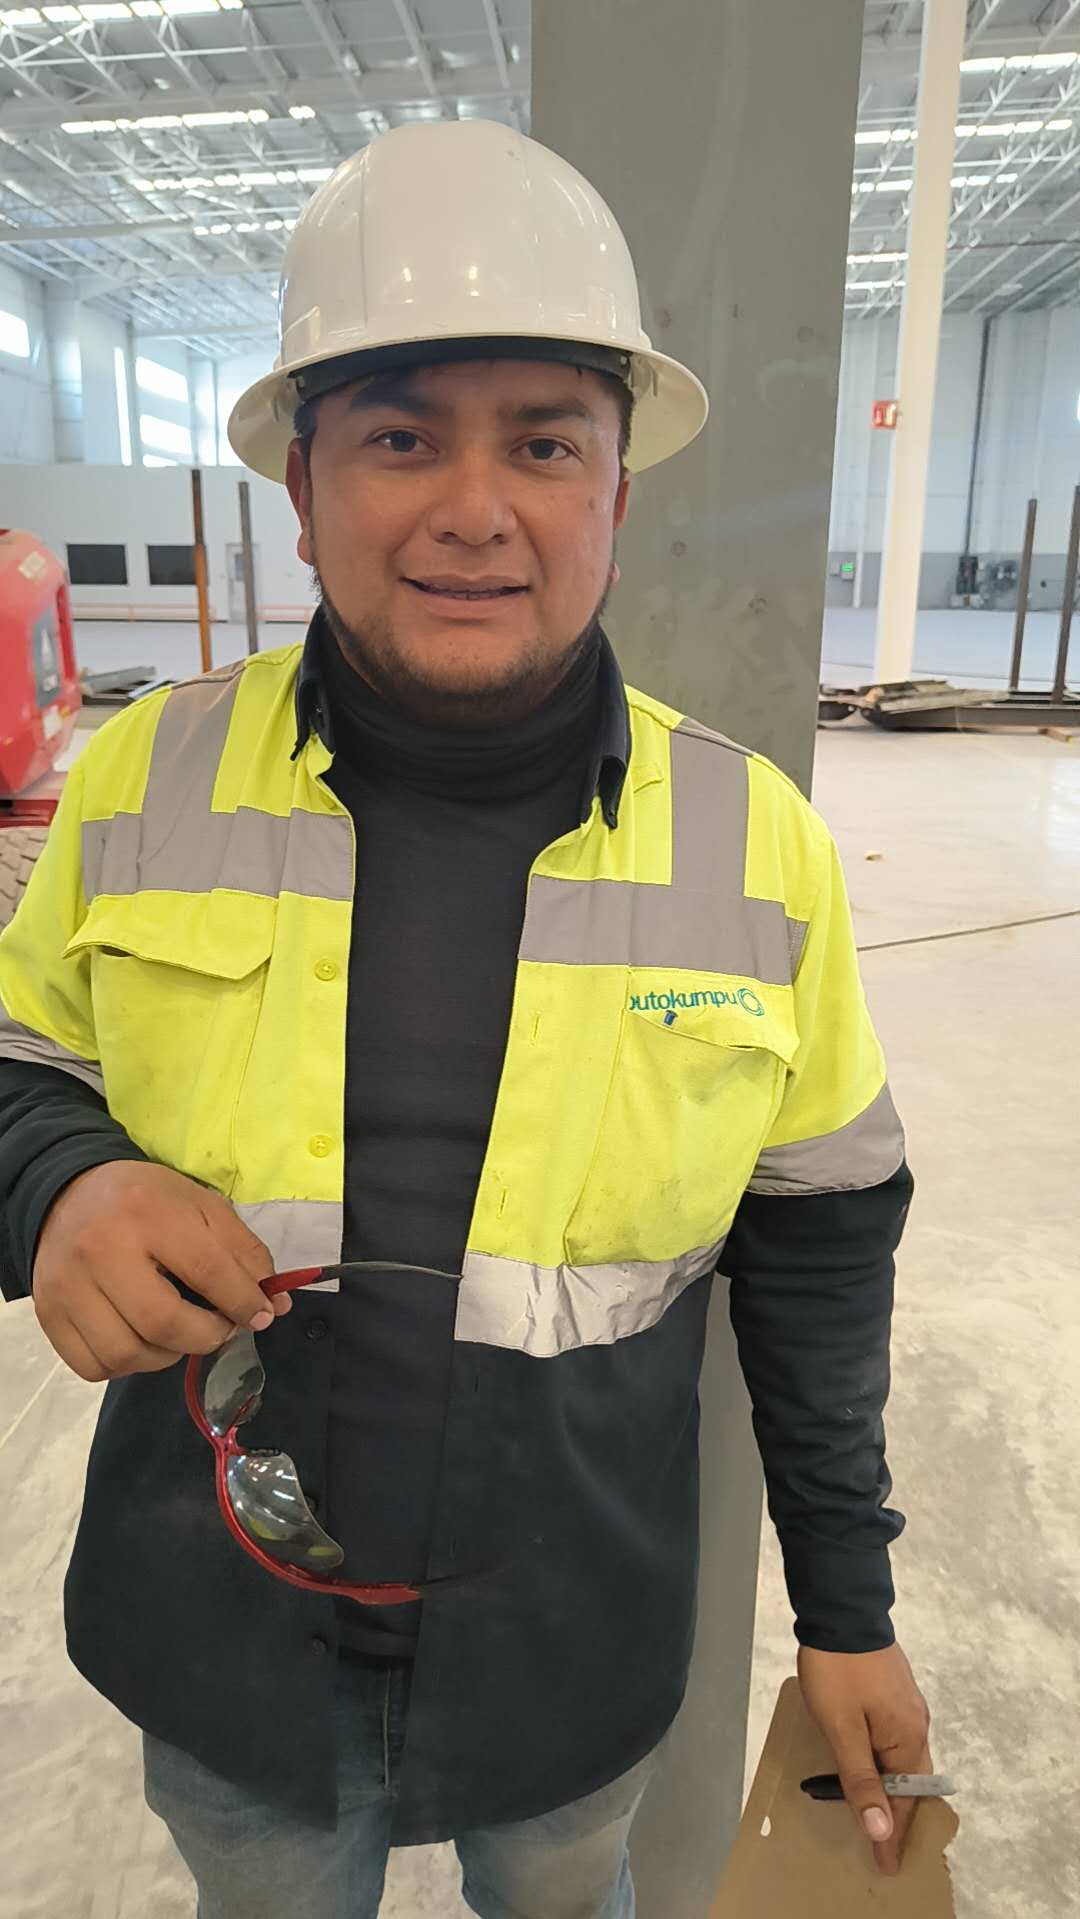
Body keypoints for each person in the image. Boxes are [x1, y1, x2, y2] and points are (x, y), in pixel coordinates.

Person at [0, 120, 932, 1919]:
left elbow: (823, 1256)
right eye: (403, 438)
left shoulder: (756, 849)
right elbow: (15, 1065)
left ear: (616, 498)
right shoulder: (140, 782)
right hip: (221, 1645)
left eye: (545, 443)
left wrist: (850, 1612)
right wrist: (62, 1185)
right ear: (302, 487)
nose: (476, 508)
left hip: (565, 1659)